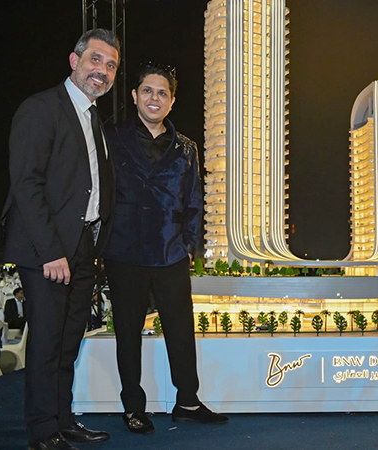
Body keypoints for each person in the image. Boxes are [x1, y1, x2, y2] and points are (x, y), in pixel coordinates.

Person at [0, 29, 119, 450]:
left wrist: (94, 247)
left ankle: (63, 420)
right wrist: (51, 251)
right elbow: (27, 185)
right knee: (47, 343)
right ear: (74, 60)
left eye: (110, 65)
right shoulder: (41, 108)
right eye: (95, 60)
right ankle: (42, 430)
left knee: (69, 343)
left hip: (83, 248)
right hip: (46, 250)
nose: (102, 71)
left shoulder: (94, 119)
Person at [103, 62, 228, 434]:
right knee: (128, 334)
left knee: (181, 331)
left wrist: (189, 245)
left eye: (162, 93)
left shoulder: (187, 148)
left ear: (172, 101)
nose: (154, 98)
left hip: (171, 252)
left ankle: (188, 401)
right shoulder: (111, 138)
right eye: (147, 90)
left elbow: (194, 202)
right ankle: (133, 407)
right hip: (124, 252)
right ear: (134, 96)